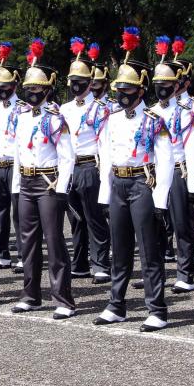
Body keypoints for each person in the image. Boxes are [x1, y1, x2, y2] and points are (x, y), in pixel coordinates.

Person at [95, 27, 174, 332]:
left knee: (149, 249)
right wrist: (105, 195)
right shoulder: (112, 119)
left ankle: (157, 309)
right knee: (120, 248)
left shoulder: (154, 121)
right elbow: (106, 158)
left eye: (127, 89)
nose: (121, 94)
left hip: (143, 184)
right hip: (118, 183)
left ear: (141, 90)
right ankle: (116, 305)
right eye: (119, 88)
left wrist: (161, 200)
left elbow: (165, 160)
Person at [9, 38, 77, 319]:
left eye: (37, 88)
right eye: (28, 88)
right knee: (27, 241)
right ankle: (30, 295)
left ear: (48, 89)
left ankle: (63, 299)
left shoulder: (55, 118)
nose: (31, 93)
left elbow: (67, 157)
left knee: (54, 241)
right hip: (26, 182)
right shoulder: (21, 116)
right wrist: (16, 185)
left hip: (48, 183)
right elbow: (17, 152)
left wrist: (61, 189)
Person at [149, 35, 194, 294]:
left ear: (176, 85)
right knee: (154, 225)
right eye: (158, 83)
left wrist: (192, 185)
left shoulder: (185, 113)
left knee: (181, 224)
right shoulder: (150, 112)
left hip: (178, 171)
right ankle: (154, 272)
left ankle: (185, 273)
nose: (161, 88)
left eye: (166, 84)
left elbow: (192, 151)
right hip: (154, 173)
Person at [60, 39, 112, 284]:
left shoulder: (101, 109)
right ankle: (79, 263)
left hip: (91, 166)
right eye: (72, 80)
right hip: (70, 167)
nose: (75, 84)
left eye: (80, 80)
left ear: (91, 83)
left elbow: (105, 143)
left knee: (94, 217)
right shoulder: (64, 109)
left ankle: (100, 263)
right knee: (75, 219)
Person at [173, 40, 194, 266]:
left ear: (186, 81)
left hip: (187, 165)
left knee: (191, 208)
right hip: (168, 164)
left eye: (177, 80)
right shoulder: (163, 106)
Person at [0, 40, 22, 270]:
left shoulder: (23, 109)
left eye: (6, 85)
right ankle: (1, 252)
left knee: (20, 213)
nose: (1, 89)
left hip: (15, 164)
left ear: (14, 85)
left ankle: (23, 253)